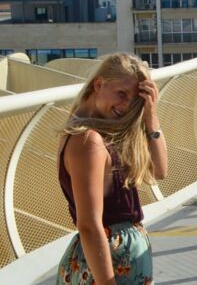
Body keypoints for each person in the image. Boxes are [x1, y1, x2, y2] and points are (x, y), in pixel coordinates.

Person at [56, 53, 168, 284]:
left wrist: (151, 117)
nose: (126, 105)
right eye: (121, 93)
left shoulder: (99, 134)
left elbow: (160, 170)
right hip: (108, 266)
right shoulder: (88, 141)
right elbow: (89, 225)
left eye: (133, 99)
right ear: (99, 84)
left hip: (117, 262)